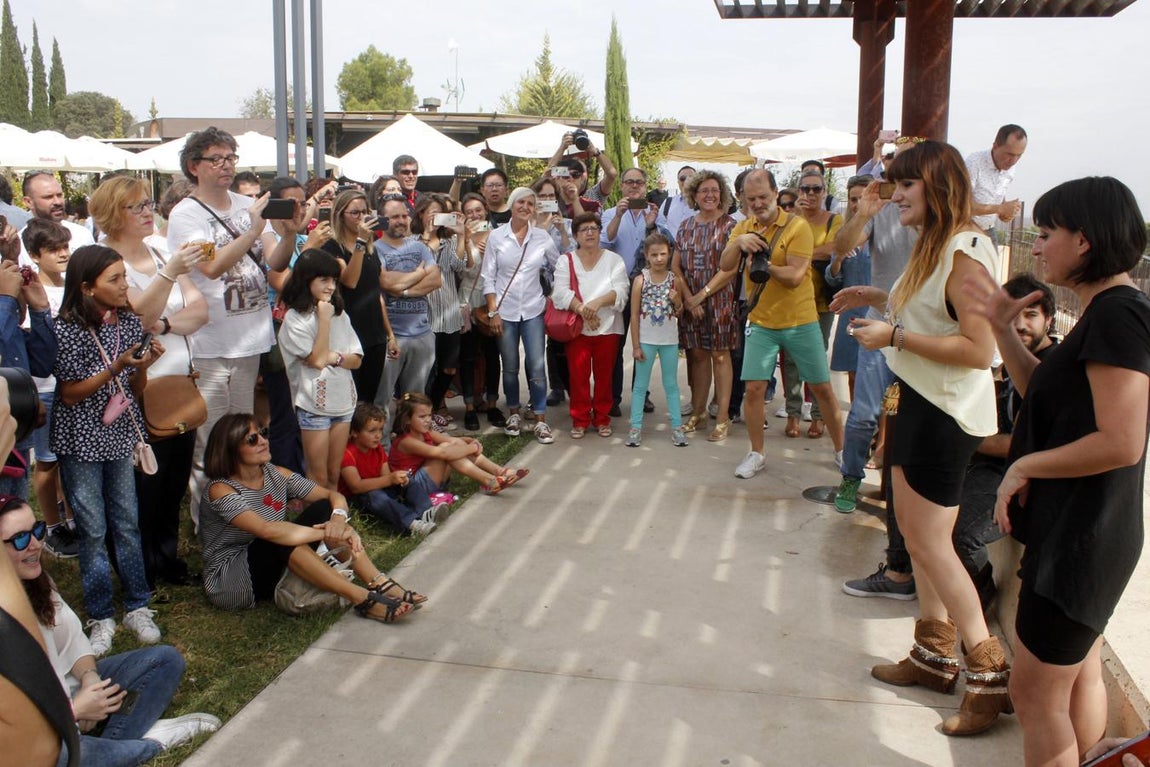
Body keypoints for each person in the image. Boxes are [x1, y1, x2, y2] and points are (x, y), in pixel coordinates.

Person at [965, 176, 1149, 765]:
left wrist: (1024, 464)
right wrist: (999, 327)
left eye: (1046, 234)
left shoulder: (1119, 316)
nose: (1037, 247)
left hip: (1085, 536)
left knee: (1035, 691)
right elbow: (1042, 394)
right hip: (1079, 529)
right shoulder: (1103, 314)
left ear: (1086, 241)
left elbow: (1121, 441)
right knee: (1073, 675)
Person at [848, 141, 1007, 737]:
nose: (893, 197)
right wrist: (876, 304)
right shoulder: (935, 245)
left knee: (934, 545)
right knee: (916, 539)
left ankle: (987, 674)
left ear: (935, 185)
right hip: (916, 400)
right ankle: (933, 658)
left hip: (947, 413)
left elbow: (978, 350)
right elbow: (924, 314)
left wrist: (894, 338)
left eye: (903, 186)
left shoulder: (968, 250)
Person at [2, 495, 222, 764]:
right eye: (20, 539)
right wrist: (73, 711)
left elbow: (73, 642)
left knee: (164, 660)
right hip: (34, 729)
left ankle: (106, 748)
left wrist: (91, 681)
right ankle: (150, 744)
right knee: (55, 756)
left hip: (67, 691)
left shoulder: (38, 582)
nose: (36, 545)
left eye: (37, 530)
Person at [166, 126, 294, 525]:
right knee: (211, 443)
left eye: (231, 158)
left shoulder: (248, 203)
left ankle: (244, 517)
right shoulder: (186, 214)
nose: (226, 166)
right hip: (210, 344)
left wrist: (288, 235)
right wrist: (254, 230)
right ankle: (211, 526)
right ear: (195, 166)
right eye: (216, 159)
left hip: (251, 337)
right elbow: (211, 265)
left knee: (244, 437)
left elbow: (274, 263)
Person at [90, 177, 208, 588]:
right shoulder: (103, 261)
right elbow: (132, 319)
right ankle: (138, 568)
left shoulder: (159, 250)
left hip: (177, 380)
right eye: (135, 206)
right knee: (144, 485)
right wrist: (170, 276)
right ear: (111, 214)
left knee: (174, 480)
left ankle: (166, 559)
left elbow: (199, 310)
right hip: (135, 388)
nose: (146, 211)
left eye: (148, 203)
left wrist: (166, 322)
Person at [199, 413, 424, 622]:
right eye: (252, 439)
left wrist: (337, 520)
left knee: (323, 508)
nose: (263, 441)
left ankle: (380, 583)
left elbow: (332, 495)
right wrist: (330, 531)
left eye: (263, 433)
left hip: (273, 555)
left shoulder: (275, 473)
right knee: (280, 538)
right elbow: (266, 530)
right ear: (230, 448)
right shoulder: (221, 489)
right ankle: (363, 599)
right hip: (231, 580)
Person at [51, 245, 165, 657]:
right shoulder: (64, 328)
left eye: (124, 277)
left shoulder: (130, 322)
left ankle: (138, 605)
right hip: (81, 438)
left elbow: (135, 391)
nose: (124, 285)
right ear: (86, 287)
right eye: (114, 279)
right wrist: (117, 367)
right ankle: (101, 614)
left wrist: (143, 366)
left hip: (118, 435)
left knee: (126, 521)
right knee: (93, 529)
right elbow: (68, 395)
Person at [715, 169, 844, 478]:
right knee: (755, 389)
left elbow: (796, 276)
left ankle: (843, 451)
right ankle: (756, 453)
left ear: (776, 194)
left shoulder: (797, 226)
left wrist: (766, 264)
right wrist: (739, 243)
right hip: (761, 321)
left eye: (763, 197)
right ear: (743, 200)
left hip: (801, 320)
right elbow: (725, 265)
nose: (758, 203)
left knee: (822, 388)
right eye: (751, 199)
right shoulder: (743, 227)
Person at [828, 134, 921, 518]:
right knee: (865, 412)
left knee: (908, 417)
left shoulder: (943, 218)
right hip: (883, 328)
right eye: (893, 169)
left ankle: (903, 490)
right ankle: (851, 475)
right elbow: (841, 244)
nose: (897, 182)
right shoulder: (883, 208)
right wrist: (863, 213)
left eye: (908, 174)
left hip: (924, 335)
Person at [277, 250, 363, 491]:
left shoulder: (340, 314)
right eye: (324, 280)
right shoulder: (295, 319)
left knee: (334, 474)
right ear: (307, 280)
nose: (331, 286)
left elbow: (356, 359)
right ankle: (317, 522)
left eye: (334, 280)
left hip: (343, 400)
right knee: (317, 476)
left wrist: (333, 357)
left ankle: (334, 521)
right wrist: (323, 320)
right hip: (313, 404)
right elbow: (315, 360)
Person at [481, 187, 560, 444]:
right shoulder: (496, 237)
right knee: (510, 366)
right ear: (512, 205)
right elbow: (488, 277)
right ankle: (513, 412)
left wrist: (552, 296)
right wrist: (492, 312)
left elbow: (558, 267)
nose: (525, 207)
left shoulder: (542, 237)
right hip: (505, 312)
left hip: (534, 310)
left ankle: (540, 419)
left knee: (537, 366)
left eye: (530, 203)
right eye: (520, 202)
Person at [21, 220, 77, 558]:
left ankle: (73, 519)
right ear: (34, 255)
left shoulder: (72, 285)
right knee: (47, 461)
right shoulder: (28, 292)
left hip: (71, 385)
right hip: (43, 387)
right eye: (54, 249)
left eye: (65, 246)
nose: (63, 254)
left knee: (70, 457)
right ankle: (54, 525)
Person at [600, 166, 673, 417]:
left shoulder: (654, 213)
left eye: (639, 183)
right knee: (615, 344)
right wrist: (619, 216)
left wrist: (651, 225)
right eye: (629, 182)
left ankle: (641, 395)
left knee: (643, 344)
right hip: (617, 287)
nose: (634, 186)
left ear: (645, 186)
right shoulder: (610, 213)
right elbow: (604, 242)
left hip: (647, 287)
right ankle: (613, 397)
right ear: (621, 186)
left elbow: (665, 244)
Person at [673, 170, 739, 442]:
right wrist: (689, 298)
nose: (709, 195)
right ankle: (698, 413)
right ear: (694, 196)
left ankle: (722, 418)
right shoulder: (686, 226)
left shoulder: (731, 226)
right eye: (704, 191)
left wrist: (701, 295)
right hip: (691, 304)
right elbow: (675, 266)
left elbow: (732, 268)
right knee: (697, 355)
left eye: (714, 190)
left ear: (722, 194)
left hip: (721, 301)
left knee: (720, 356)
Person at [551, 213, 629, 439]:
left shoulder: (614, 260)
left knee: (605, 377)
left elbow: (622, 290)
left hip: (608, 327)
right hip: (578, 329)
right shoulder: (566, 260)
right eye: (584, 229)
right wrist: (584, 310)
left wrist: (596, 303)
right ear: (575, 235)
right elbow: (560, 293)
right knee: (578, 376)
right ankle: (581, 419)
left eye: (594, 228)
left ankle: (603, 418)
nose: (590, 232)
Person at [320, 189, 396, 407]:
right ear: (341, 215)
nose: (361, 218)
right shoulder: (332, 246)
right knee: (351, 397)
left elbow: (376, 291)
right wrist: (360, 243)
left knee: (369, 398)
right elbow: (350, 281)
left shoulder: (370, 246)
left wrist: (389, 333)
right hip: (349, 330)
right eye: (355, 213)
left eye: (365, 212)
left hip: (375, 332)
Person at [783, 167, 843, 439]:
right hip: (791, 299)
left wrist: (799, 254)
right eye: (805, 189)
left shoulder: (833, 221)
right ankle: (793, 413)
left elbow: (835, 248)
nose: (810, 194)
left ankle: (818, 417)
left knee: (817, 358)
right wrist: (794, 216)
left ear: (824, 192)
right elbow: (779, 248)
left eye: (815, 189)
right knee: (791, 360)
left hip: (820, 301)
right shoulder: (790, 219)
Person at [376, 195, 442, 431]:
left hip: (422, 334)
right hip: (392, 336)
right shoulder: (375, 249)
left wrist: (402, 291)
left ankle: (411, 446)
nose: (401, 220)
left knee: (415, 400)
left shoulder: (419, 247)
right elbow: (385, 281)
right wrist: (417, 274)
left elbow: (436, 279)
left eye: (404, 215)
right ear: (382, 219)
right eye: (395, 216)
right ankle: (382, 449)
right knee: (382, 400)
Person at [390, 392, 528, 496]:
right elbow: (443, 452)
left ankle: (499, 472)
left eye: (429, 415)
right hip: (412, 489)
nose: (427, 420)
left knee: (452, 445)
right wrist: (472, 448)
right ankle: (490, 480)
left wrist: (467, 440)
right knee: (446, 450)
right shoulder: (406, 441)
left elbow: (451, 441)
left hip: (431, 480)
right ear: (407, 419)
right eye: (422, 417)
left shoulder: (426, 432)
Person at [338, 403, 443, 536]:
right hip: (360, 499)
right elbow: (356, 486)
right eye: (372, 431)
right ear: (354, 432)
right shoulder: (347, 453)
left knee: (408, 480)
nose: (378, 435)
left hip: (379, 489)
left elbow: (386, 475)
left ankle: (427, 511)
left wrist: (398, 480)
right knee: (374, 495)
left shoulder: (377, 449)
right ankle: (412, 524)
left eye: (380, 430)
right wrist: (389, 479)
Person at [413, 194, 468, 431]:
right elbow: (417, 268)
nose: (435, 218)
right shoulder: (412, 241)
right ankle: (424, 415)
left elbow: (460, 265)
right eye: (431, 213)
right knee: (426, 369)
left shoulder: (449, 240)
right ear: (421, 214)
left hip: (449, 312)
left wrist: (462, 234)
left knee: (448, 367)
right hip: (423, 314)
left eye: (440, 213)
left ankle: (433, 408)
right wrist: (427, 238)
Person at [626, 233, 686, 447]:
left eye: (663, 254)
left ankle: (677, 428)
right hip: (646, 340)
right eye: (654, 255)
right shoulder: (640, 281)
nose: (659, 259)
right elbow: (633, 314)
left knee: (671, 384)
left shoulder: (675, 280)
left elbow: (679, 312)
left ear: (669, 254)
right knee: (640, 385)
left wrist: (677, 300)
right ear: (646, 256)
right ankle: (635, 428)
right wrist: (635, 345)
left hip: (669, 340)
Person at [457, 193, 506, 431]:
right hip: (466, 300)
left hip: (491, 300)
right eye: (469, 212)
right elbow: (464, 268)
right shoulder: (459, 237)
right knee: (467, 356)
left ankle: (493, 402)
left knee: (492, 353)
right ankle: (469, 407)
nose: (475, 215)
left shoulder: (497, 235)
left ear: (485, 211)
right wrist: (466, 239)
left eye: (478, 210)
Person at [825, 174, 874, 400]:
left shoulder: (886, 232)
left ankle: (882, 433)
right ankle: (858, 422)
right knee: (853, 373)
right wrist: (837, 260)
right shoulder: (844, 234)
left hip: (879, 313)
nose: (857, 204)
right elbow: (833, 280)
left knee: (879, 375)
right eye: (853, 199)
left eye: (862, 198)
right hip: (851, 315)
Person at [19, 171, 95, 265]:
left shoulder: (82, 235)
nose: (58, 202)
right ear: (28, 202)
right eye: (48, 197)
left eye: (59, 195)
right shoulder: (19, 246)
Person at [966, 124, 1027, 240]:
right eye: (1010, 154)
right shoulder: (973, 163)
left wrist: (1005, 213)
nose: (1014, 161)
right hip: (966, 231)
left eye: (1019, 155)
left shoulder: (1010, 169)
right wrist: (1001, 208)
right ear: (995, 146)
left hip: (989, 230)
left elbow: (998, 197)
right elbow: (962, 205)